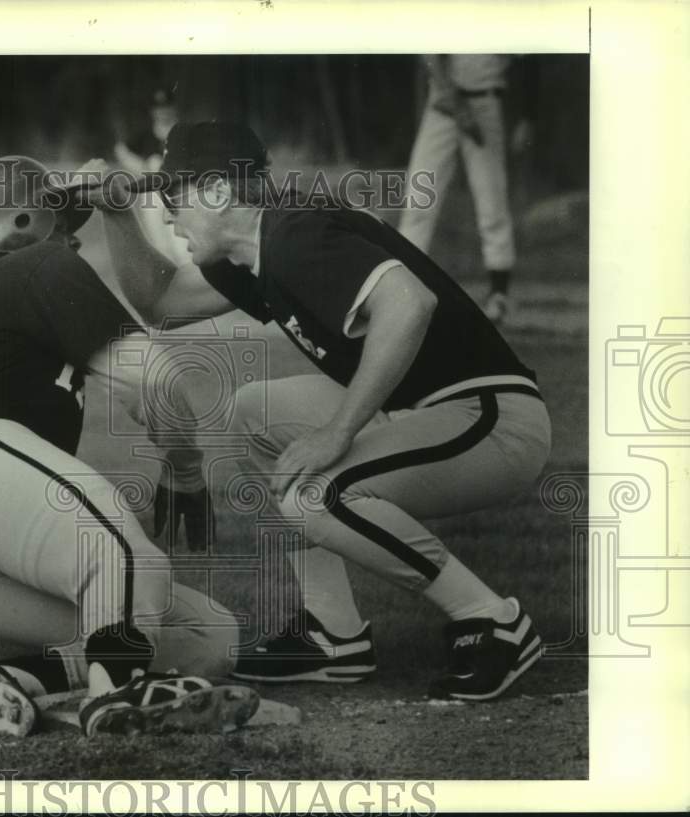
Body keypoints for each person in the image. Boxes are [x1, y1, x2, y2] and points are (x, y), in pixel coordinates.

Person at [85, 121, 552, 701]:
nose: (169, 213)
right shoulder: (257, 248)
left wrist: (339, 432)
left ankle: (492, 620)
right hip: (422, 410)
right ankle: (333, 635)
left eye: (174, 194)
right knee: (250, 414)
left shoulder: (295, 232)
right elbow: (160, 302)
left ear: (216, 191)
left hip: (490, 418)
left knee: (316, 494)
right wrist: (116, 213)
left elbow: (409, 304)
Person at [0, 156, 258, 739]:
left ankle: (0, 677)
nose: (72, 236)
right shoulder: (38, 264)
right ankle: (114, 696)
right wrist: (186, 471)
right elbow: (158, 381)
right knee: (129, 556)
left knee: (207, 639)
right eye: (62, 220)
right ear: (21, 222)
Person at [397, 55, 530, 325]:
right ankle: (399, 290)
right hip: (443, 103)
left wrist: (529, 116)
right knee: (419, 199)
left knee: (492, 199)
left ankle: (499, 295)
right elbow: (430, 56)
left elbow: (529, 63)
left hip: (486, 102)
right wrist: (458, 108)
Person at [114, 88, 192, 266]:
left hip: (179, 188)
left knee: (182, 235)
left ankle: (188, 268)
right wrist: (140, 167)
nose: (163, 111)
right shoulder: (146, 134)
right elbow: (121, 149)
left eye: (167, 106)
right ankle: (167, 268)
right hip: (152, 192)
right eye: (159, 108)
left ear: (174, 108)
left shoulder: (184, 131)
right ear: (152, 111)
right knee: (157, 232)